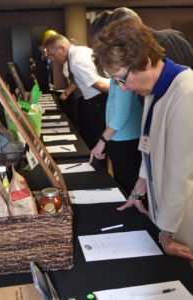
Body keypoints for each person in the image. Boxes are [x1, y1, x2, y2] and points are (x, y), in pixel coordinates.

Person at [92, 18, 193, 261]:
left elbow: (180, 175)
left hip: (182, 218)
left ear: (145, 62)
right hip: (165, 215)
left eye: (121, 78)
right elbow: (148, 144)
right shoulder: (155, 88)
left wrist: (167, 233)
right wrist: (139, 189)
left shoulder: (185, 93)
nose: (122, 88)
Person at [89, 6, 193, 195]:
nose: (123, 87)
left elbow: (179, 168)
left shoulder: (179, 87)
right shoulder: (149, 85)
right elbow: (151, 134)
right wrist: (142, 183)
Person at [89, 8, 143, 195]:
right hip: (122, 137)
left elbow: (121, 112)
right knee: (125, 182)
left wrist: (102, 141)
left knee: (128, 185)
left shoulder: (123, 64)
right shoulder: (119, 64)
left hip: (126, 137)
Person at [43, 34, 110, 151]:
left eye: (52, 55)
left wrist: (118, 92)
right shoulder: (80, 52)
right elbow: (78, 80)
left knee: (93, 143)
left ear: (62, 49)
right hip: (96, 100)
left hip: (97, 102)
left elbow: (99, 85)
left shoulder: (76, 60)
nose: (52, 60)